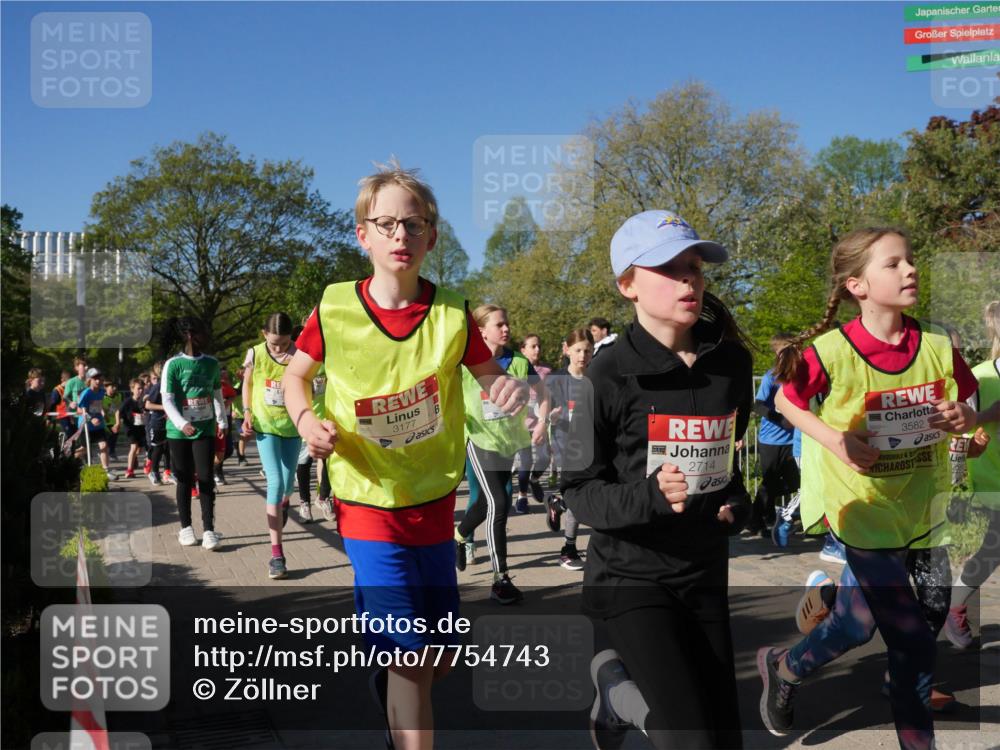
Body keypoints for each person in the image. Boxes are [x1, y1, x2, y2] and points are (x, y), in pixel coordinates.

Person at [282, 160, 529, 750]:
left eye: (413, 225)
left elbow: (490, 373)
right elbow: (296, 378)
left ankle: (388, 682)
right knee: (412, 659)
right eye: (386, 223)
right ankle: (397, 686)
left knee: (439, 655)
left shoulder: (453, 315)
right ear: (362, 234)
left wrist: (508, 387)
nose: (401, 236)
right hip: (366, 498)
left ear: (431, 237)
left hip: (434, 496)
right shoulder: (336, 307)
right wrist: (307, 420)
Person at [757, 227, 978, 750]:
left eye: (912, 260)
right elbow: (788, 404)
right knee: (912, 642)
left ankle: (784, 670)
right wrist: (836, 441)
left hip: (923, 511)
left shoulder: (940, 346)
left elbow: (968, 404)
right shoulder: (830, 352)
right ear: (856, 284)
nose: (911, 270)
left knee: (861, 626)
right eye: (894, 263)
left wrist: (962, 416)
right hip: (862, 512)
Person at [564, 210, 751, 750]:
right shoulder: (605, 374)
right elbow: (577, 488)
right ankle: (617, 691)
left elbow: (726, 471)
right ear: (628, 285)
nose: (688, 279)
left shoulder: (731, 365)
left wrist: (736, 505)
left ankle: (615, 694)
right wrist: (649, 496)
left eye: (693, 267)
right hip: (629, 578)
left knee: (723, 739)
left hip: (704, 570)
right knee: (689, 739)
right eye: (669, 269)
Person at [455, 304, 548, 603]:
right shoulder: (465, 362)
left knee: (485, 503)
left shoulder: (519, 362)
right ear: (481, 330)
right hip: (479, 439)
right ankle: (500, 579)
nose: (506, 329)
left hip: (507, 442)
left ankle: (458, 536)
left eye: (507, 324)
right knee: (499, 501)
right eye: (499, 325)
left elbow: (544, 394)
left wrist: (542, 421)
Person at [945, 300, 1000, 649]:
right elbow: (962, 433)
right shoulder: (979, 376)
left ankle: (954, 604)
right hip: (994, 480)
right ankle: (955, 605)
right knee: (991, 554)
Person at [241, 312, 303, 580]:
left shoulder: (301, 353)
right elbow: (248, 384)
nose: (279, 348)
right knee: (275, 482)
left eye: (285, 342)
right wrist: (246, 412)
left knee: (289, 484)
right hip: (265, 424)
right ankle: (277, 555)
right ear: (264, 334)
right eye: (275, 343)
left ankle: (283, 502)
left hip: (292, 425)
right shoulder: (254, 353)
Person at [161, 317, 227, 552]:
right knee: (185, 478)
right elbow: (166, 400)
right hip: (178, 433)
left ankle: (209, 530)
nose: (206, 338)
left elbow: (216, 395)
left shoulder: (211, 363)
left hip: (205, 428)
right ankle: (186, 527)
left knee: (206, 477)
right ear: (190, 336)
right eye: (202, 333)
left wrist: (222, 421)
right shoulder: (173, 364)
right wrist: (181, 424)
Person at [544, 328, 594, 571]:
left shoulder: (596, 378)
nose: (582, 355)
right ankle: (569, 548)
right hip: (566, 444)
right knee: (578, 492)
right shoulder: (555, 379)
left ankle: (558, 503)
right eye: (577, 350)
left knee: (585, 493)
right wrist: (550, 417)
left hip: (592, 444)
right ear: (567, 350)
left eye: (587, 350)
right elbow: (538, 411)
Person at [748, 334, 799, 538]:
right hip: (770, 440)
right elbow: (757, 405)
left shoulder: (799, 377)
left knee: (795, 482)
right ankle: (759, 521)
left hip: (792, 440)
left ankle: (759, 512)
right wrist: (780, 419)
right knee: (769, 482)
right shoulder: (771, 377)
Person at [514, 333, 552, 513]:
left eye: (539, 346)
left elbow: (552, 396)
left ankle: (534, 480)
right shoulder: (516, 369)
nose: (537, 349)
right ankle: (522, 496)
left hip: (540, 424)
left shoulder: (546, 371)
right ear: (523, 350)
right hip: (521, 425)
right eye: (533, 346)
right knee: (525, 462)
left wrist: (555, 409)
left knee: (545, 458)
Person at [76, 368, 117, 479]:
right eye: (95, 378)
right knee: (84, 449)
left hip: (99, 425)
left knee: (104, 445)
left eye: (99, 378)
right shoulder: (86, 393)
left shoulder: (101, 391)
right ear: (89, 380)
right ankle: (69, 458)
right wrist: (90, 418)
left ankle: (106, 471)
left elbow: (103, 405)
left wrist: (107, 412)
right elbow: (79, 410)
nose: (98, 381)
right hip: (86, 425)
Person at [144, 362, 172, 485]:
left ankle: (168, 473)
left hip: (169, 423)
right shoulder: (158, 386)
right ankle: (154, 472)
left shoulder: (172, 384)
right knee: (158, 448)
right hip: (157, 423)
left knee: (168, 449)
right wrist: (165, 407)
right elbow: (148, 405)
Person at [119, 379, 148, 479]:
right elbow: (118, 412)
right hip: (130, 428)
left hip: (141, 427)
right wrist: (118, 423)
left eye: (142, 388)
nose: (141, 391)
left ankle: (135, 460)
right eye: (138, 389)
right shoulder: (128, 402)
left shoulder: (144, 401)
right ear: (132, 389)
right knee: (134, 447)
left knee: (139, 449)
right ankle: (129, 470)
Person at [213, 367, 237, 486]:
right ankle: (217, 472)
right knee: (217, 448)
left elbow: (233, 395)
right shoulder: (209, 383)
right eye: (222, 375)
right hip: (212, 420)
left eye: (226, 376)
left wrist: (227, 402)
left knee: (228, 449)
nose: (224, 378)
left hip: (225, 418)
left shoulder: (224, 385)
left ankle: (215, 469)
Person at [103, 380, 123, 461]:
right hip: (104, 421)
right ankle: (104, 452)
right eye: (112, 387)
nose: (114, 388)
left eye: (115, 387)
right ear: (106, 388)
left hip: (114, 420)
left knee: (114, 437)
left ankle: (112, 452)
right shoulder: (102, 396)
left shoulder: (118, 395)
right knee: (106, 438)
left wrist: (118, 423)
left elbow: (117, 409)